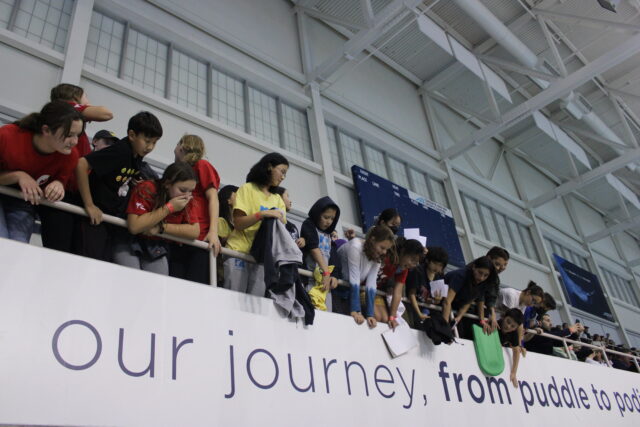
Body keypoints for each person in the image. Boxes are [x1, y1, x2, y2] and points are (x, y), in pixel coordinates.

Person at [76, 111, 163, 261]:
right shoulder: (120, 150)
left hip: (108, 217)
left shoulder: (138, 156)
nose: (150, 147)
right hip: (93, 216)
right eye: (147, 141)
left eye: (154, 143)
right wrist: (89, 204)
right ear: (132, 135)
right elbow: (81, 164)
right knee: (89, 262)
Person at [0, 101, 83, 242]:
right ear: (46, 130)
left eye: (78, 135)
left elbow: (61, 179)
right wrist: (18, 176)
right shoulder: (7, 136)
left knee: (16, 245)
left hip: (23, 202)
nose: (75, 141)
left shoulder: (70, 155)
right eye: (69, 135)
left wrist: (58, 184)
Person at [224, 152, 288, 296]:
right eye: (282, 172)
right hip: (239, 253)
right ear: (270, 167)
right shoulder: (247, 189)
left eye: (285, 174)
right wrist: (262, 215)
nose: (283, 177)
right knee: (232, 302)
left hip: (261, 258)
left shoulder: (278, 199)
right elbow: (238, 223)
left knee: (255, 310)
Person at [116, 162, 199, 274]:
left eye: (191, 191)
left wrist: (161, 228)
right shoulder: (147, 188)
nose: (187, 196)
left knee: (159, 283)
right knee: (131, 276)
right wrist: (169, 208)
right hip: (128, 240)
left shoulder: (188, 200)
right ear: (167, 183)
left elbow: (195, 231)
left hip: (156, 246)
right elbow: (134, 226)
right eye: (183, 190)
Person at [170, 135, 221, 284]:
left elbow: (213, 198)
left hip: (200, 238)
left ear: (182, 146)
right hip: (178, 238)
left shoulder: (201, 165)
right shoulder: (176, 172)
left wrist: (213, 232)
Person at [337, 225, 395, 327]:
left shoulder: (377, 257)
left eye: (386, 249)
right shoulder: (355, 246)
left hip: (347, 290)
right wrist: (356, 311)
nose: (384, 252)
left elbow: (371, 284)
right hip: (336, 286)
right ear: (372, 240)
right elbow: (354, 278)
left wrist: (370, 314)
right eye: (382, 247)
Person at [300, 196, 341, 308]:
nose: (329, 222)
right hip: (309, 280)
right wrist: (327, 273)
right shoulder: (308, 225)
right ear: (317, 214)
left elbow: (333, 258)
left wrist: (334, 276)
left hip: (325, 283)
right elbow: (314, 249)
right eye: (326, 217)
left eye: (332, 219)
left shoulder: (329, 234)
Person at [376, 237, 423, 329]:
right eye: (412, 260)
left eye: (415, 263)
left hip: (377, 293)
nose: (412, 265)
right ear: (403, 251)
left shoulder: (403, 269)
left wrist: (392, 317)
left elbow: (397, 293)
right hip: (364, 288)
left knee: (386, 319)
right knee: (377, 316)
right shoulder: (386, 257)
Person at [442, 256, 495, 329]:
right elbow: (447, 302)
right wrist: (444, 325)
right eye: (480, 272)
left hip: (453, 309)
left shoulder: (483, 283)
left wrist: (458, 318)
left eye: (486, 275)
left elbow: (468, 302)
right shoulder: (460, 276)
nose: (481, 278)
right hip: (438, 304)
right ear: (474, 267)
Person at [405, 246, 449, 325]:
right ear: (428, 260)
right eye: (435, 263)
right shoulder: (417, 271)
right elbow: (411, 294)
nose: (437, 267)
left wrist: (435, 300)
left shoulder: (439, 277)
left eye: (440, 265)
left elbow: (436, 301)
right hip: (411, 308)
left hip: (426, 311)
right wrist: (419, 313)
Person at [481, 246, 510, 333]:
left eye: (505, 265)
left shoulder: (495, 279)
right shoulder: (475, 270)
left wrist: (492, 315)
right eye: (497, 264)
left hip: (482, 313)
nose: (500, 268)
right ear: (489, 258)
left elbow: (491, 299)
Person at [497, 308, 526, 388]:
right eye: (508, 322)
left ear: (516, 328)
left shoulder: (513, 334)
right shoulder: (495, 324)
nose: (508, 326)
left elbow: (516, 352)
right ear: (504, 317)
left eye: (513, 326)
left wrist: (513, 373)